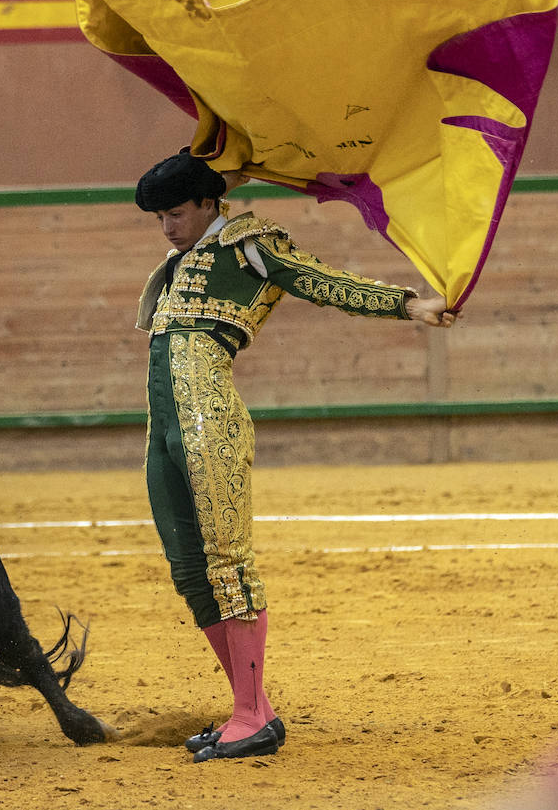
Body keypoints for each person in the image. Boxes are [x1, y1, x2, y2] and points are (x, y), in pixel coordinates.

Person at [135, 150, 455, 763]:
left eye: (176, 213)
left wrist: (408, 304)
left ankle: (249, 716)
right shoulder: (186, 256)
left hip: (210, 422)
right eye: (159, 218)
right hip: (164, 428)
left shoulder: (252, 245)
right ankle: (253, 711)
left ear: (207, 203)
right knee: (189, 570)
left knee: (228, 565)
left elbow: (322, 282)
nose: (167, 227)